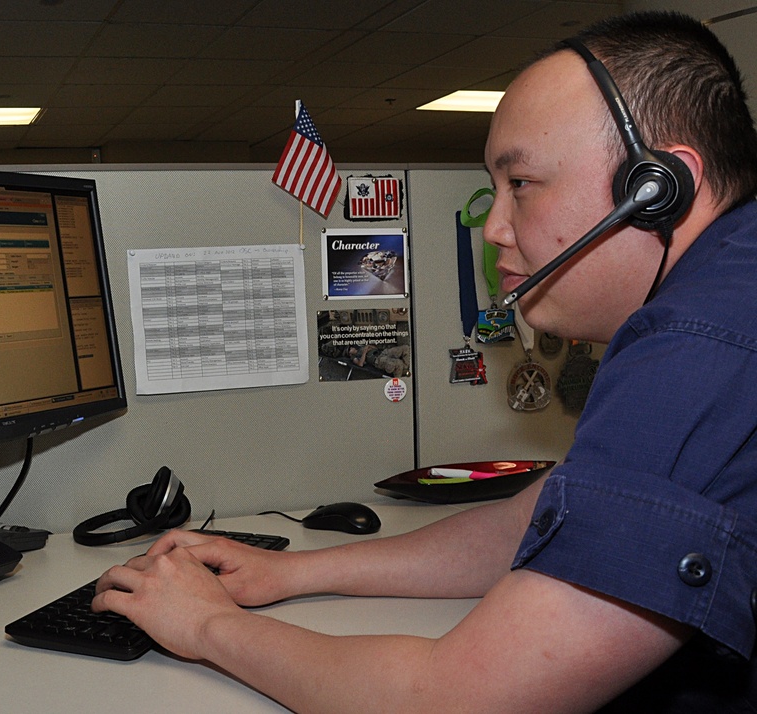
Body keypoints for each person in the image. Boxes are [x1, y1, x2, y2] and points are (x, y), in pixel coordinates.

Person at [93, 11, 757, 712]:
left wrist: (205, 625)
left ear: (658, 189)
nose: (493, 226)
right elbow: (525, 528)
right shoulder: (725, 294)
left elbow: (454, 701)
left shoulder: (699, 345)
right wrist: (289, 574)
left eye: (521, 184)